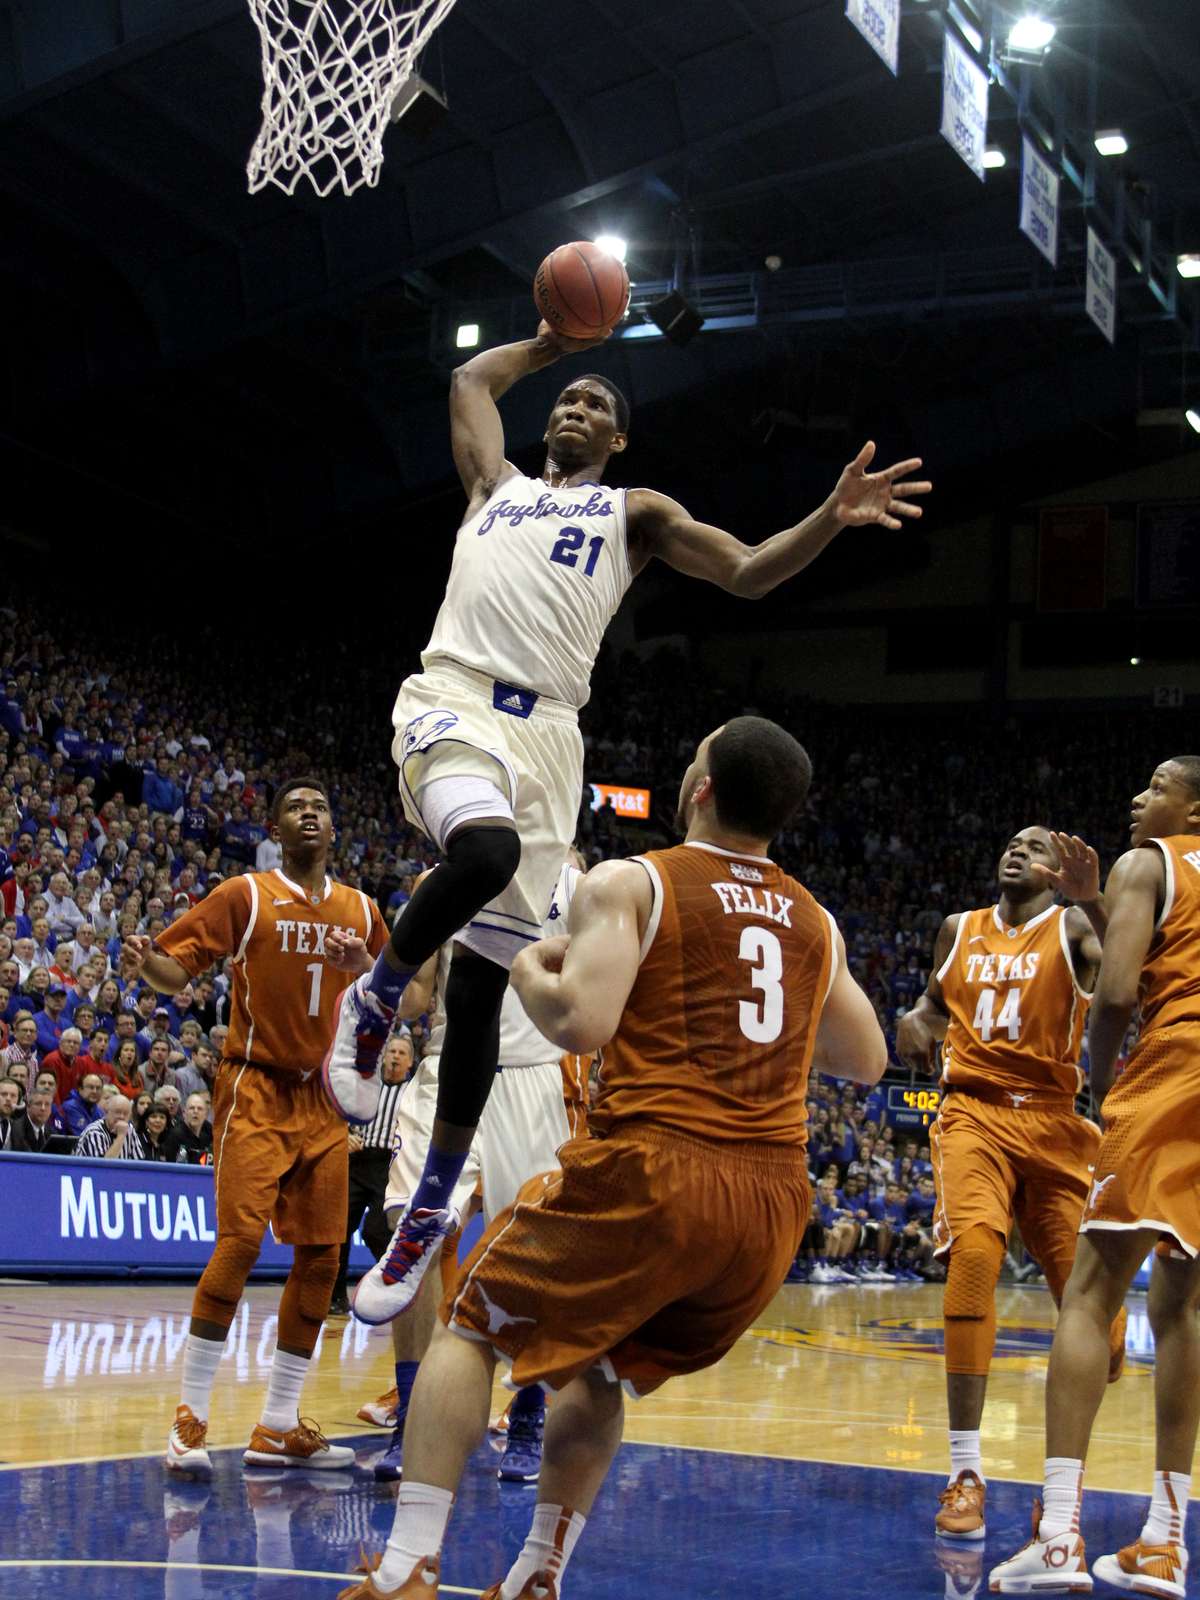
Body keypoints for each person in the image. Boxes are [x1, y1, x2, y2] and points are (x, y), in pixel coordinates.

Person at [322, 321, 931, 1308]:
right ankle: (376, 995)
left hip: (552, 735)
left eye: (600, 405)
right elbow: (470, 377)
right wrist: (551, 341)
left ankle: (429, 1202)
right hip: (455, 698)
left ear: (618, 443)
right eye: (570, 397)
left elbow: (744, 569)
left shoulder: (634, 513)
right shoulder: (495, 486)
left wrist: (828, 514)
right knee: (482, 849)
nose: (576, 407)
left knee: (479, 988)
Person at [336, 717, 887, 1600]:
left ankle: (407, 1567)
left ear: (699, 787)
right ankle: (538, 1574)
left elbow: (576, 1023)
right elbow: (866, 1060)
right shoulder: (815, 919)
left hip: (659, 1172)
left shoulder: (638, 879)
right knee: (597, 1362)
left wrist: (526, 970)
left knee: (469, 1327)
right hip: (771, 1210)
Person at [120, 777, 388, 1478]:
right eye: (297, 806)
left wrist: (372, 971)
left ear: (334, 830)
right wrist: (142, 961)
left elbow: (411, 990)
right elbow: (173, 974)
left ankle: (276, 1424)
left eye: (322, 806)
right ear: (275, 826)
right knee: (239, 1245)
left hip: (325, 1098)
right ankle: (191, 1417)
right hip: (256, 1087)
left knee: (324, 1259)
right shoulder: (245, 895)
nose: (310, 814)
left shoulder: (361, 908)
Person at [989, 757, 1200, 1596]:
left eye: (1156, 786)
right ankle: (1163, 1540)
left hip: (1176, 1070)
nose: (1137, 796)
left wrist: (1105, 1082)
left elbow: (1118, 993)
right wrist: (1091, 902)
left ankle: (1060, 1537)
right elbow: (1166, 951)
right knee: (1184, 1303)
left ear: (1192, 806)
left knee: (1090, 1294)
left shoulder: (1150, 859)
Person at [897, 826, 1126, 1543]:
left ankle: (1062, 1491)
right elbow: (936, 1009)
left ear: (1060, 874)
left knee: (1099, 1328)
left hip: (1056, 1124)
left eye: (1036, 847)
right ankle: (966, 1472)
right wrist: (915, 1023)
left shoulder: (1076, 927)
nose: (1018, 851)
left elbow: (1131, 969)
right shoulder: (957, 930)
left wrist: (1100, 901)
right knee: (973, 1259)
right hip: (973, 1115)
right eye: (1013, 843)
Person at [352, 855, 585, 1487]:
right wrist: (375, 972)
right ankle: (412, 1416)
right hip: (449, 1063)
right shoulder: (445, 877)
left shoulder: (577, 883)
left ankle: (530, 1414)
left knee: (536, 1254)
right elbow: (420, 993)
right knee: (407, 1227)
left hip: (536, 1076)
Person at [329, 1032, 413, 1318]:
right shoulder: (367, 1084)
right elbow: (340, 1112)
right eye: (392, 1052)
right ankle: (336, 1297)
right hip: (357, 1162)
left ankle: (394, 1286)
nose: (395, 1057)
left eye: (402, 1053)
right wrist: (345, 1134)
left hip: (389, 1168)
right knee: (338, 1230)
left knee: (376, 1230)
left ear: (410, 1063)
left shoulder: (412, 1094)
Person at [74, 1091, 145, 1159]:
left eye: (126, 1113)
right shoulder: (94, 1132)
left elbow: (139, 1163)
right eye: (117, 1112)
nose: (121, 1117)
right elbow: (103, 1168)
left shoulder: (129, 1129)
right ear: (107, 1112)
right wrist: (121, 1136)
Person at [62, 1070, 105, 1136]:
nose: (94, 1091)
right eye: (90, 1087)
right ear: (80, 1089)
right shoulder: (70, 1107)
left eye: (98, 1088)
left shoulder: (98, 1110)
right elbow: (84, 1136)